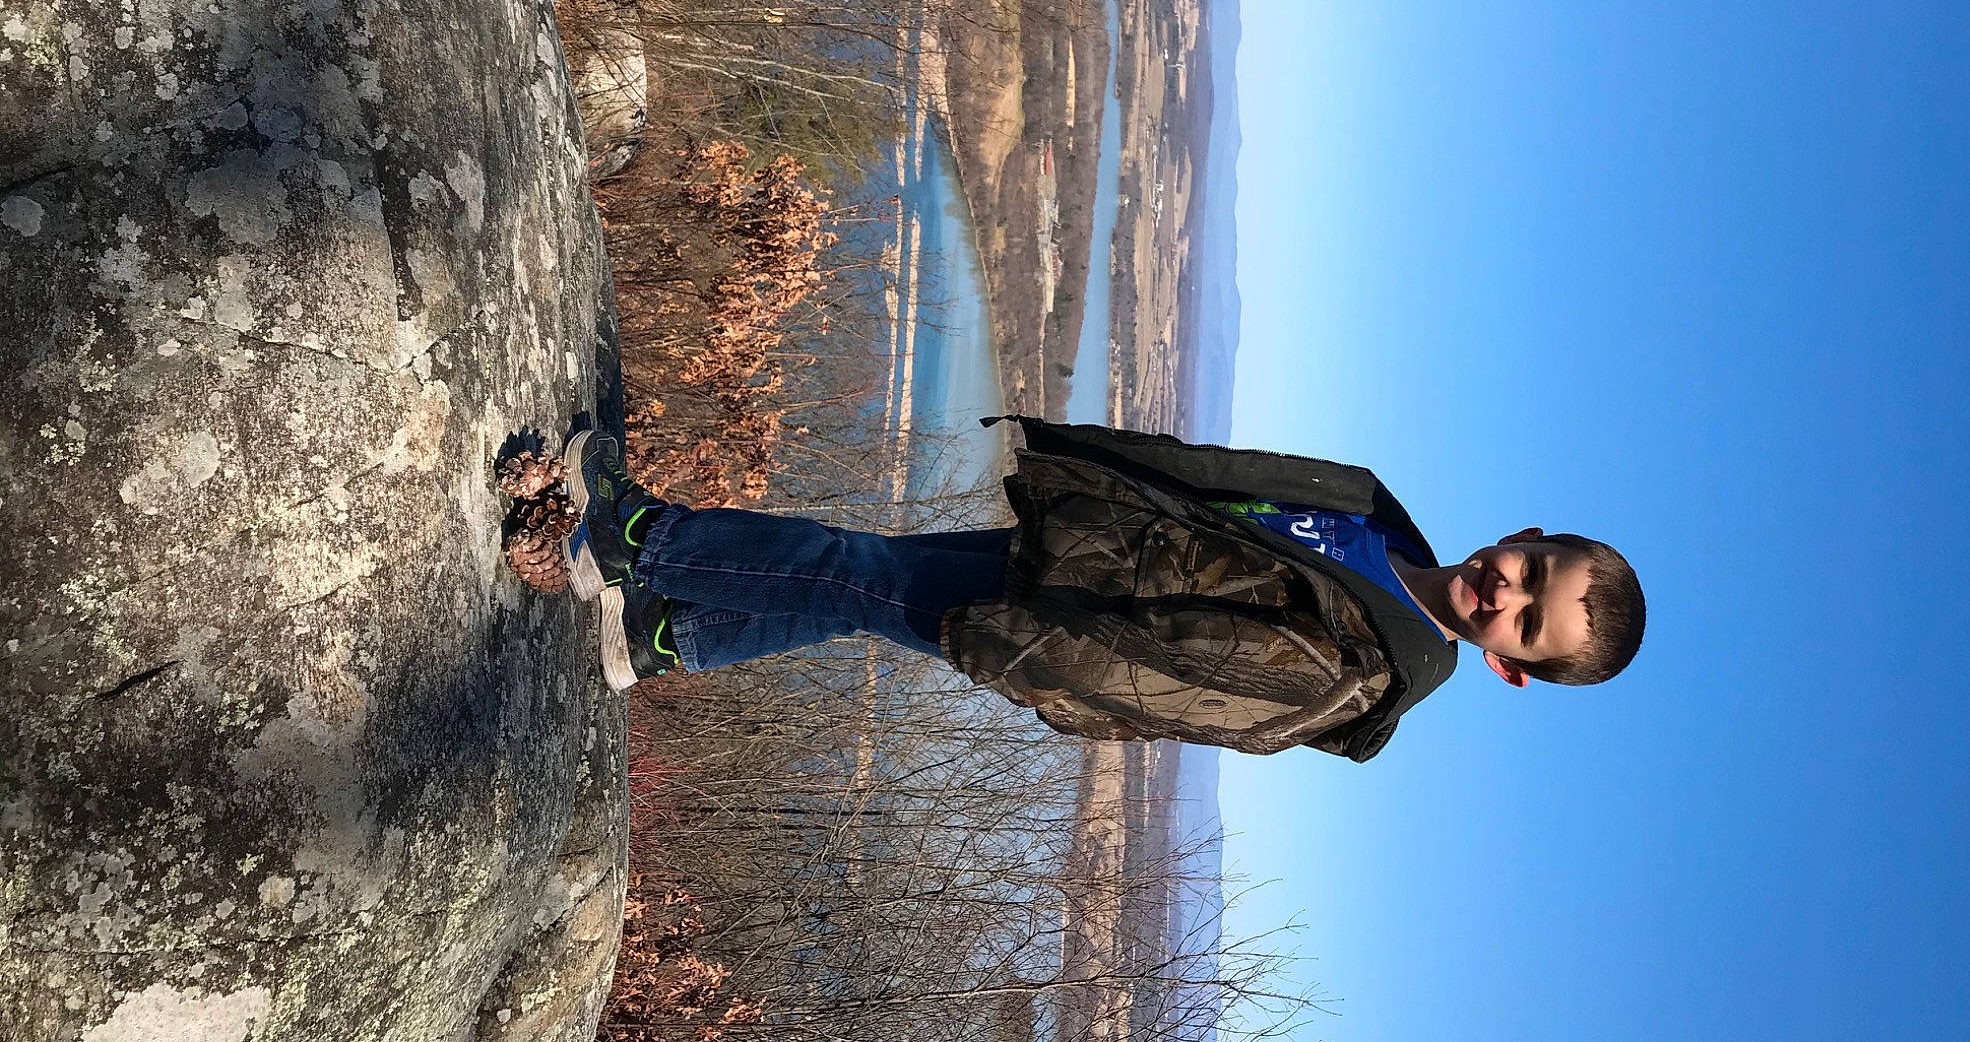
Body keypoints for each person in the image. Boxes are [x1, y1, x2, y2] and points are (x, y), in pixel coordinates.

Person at [559, 416, 1645, 763]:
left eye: (1526, 623)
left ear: (1508, 667)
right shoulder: (1374, 516)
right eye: (1533, 571)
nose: (1506, 591)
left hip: (1049, 616)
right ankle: (669, 639)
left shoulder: (1362, 670)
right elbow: (1199, 487)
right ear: (1525, 535)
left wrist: (1014, 643)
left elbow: (1175, 682)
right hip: (1067, 549)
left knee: (856, 571)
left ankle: (633, 540)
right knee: (859, 583)